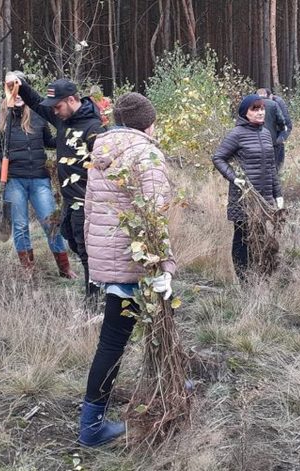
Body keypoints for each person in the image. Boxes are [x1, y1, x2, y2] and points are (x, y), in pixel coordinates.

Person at [78, 92, 176, 446]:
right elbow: (154, 217)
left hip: (109, 259)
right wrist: (165, 265)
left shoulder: (101, 149)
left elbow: (91, 211)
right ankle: (91, 428)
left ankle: (167, 386)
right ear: (148, 123)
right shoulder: (145, 153)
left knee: (122, 335)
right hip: (137, 262)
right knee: (115, 340)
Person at [7, 74, 107, 303]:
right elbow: (36, 102)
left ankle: (94, 303)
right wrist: (19, 86)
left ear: (72, 100)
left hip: (87, 201)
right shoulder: (62, 119)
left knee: (87, 253)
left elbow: (106, 166)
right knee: (69, 237)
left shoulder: (94, 127)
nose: (54, 111)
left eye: (58, 106)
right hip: (69, 200)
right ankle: (97, 294)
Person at [0, 71, 74, 276]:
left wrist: (67, 136)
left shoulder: (38, 117)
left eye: (21, 88)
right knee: (21, 226)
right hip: (14, 180)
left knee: (51, 223)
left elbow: (49, 142)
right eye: (12, 88)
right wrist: (0, 171)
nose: (18, 94)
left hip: (39, 179)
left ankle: (65, 268)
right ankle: (28, 270)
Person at [212, 94, 283, 280]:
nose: (260, 112)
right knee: (242, 237)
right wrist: (234, 179)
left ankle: (258, 274)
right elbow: (218, 158)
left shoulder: (266, 134)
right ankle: (243, 278)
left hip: (264, 196)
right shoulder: (236, 134)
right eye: (255, 109)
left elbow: (271, 167)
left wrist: (278, 195)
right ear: (245, 113)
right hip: (243, 198)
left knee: (259, 235)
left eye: (262, 108)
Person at [256, 88, 290, 172]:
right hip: (272, 139)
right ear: (267, 95)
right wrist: (281, 133)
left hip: (255, 140)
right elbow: (282, 121)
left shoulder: (250, 104)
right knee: (274, 165)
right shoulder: (274, 104)